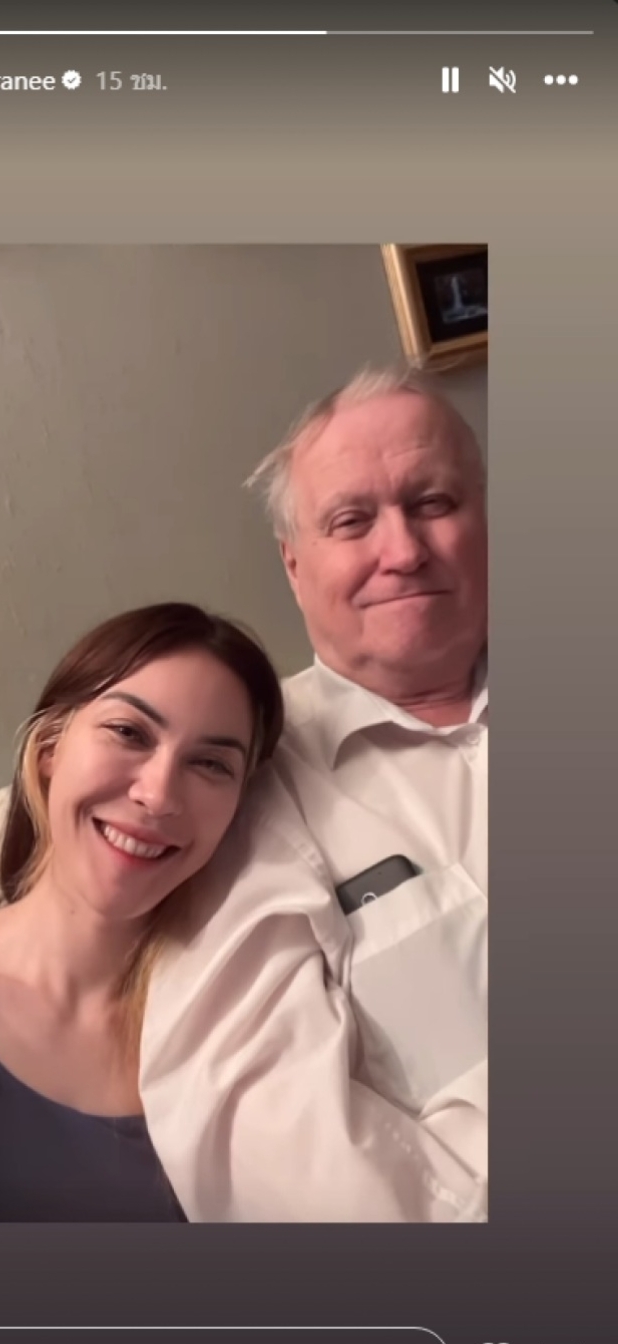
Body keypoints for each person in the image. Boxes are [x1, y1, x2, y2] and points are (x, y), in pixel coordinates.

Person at [139, 367, 489, 1221]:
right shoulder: (238, 781)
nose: (403, 551)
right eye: (352, 521)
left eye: (434, 503)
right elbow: (263, 1147)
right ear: (294, 565)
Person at [0, 602, 284, 1221]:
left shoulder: (238, 1024)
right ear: (49, 748)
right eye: (129, 732)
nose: (158, 794)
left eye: (210, 764)